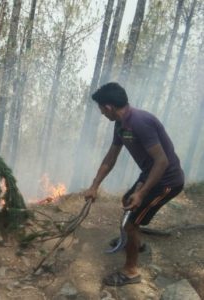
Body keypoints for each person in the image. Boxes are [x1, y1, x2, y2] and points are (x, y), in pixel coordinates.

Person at [84, 82, 184, 286]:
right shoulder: (120, 125)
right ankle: (134, 243)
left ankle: (130, 272)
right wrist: (94, 186)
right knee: (126, 201)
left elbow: (162, 161)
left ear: (109, 107)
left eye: (101, 108)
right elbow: (110, 158)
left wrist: (142, 192)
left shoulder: (139, 122)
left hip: (167, 181)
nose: (101, 113)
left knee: (131, 222)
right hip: (151, 174)